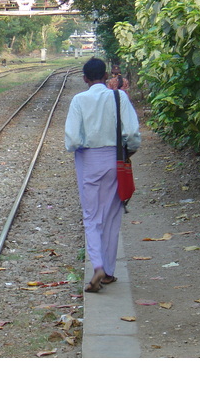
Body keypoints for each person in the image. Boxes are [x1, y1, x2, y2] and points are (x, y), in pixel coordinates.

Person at [65, 57, 141, 293]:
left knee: (91, 216)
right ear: (107, 76)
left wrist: (82, 147)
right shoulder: (119, 97)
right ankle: (108, 271)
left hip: (89, 161)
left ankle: (97, 265)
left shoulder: (79, 100)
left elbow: (73, 140)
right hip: (115, 160)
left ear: (85, 79)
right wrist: (126, 151)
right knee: (111, 215)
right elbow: (132, 133)